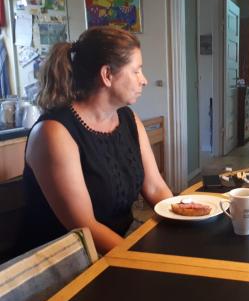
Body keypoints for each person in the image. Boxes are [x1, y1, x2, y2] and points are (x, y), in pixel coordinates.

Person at [23, 26, 173, 255]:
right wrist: (142, 260)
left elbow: (155, 187)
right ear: (107, 75)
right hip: (64, 264)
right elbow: (86, 228)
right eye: (136, 71)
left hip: (114, 249)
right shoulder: (53, 133)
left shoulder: (128, 119)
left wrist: (183, 219)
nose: (144, 80)